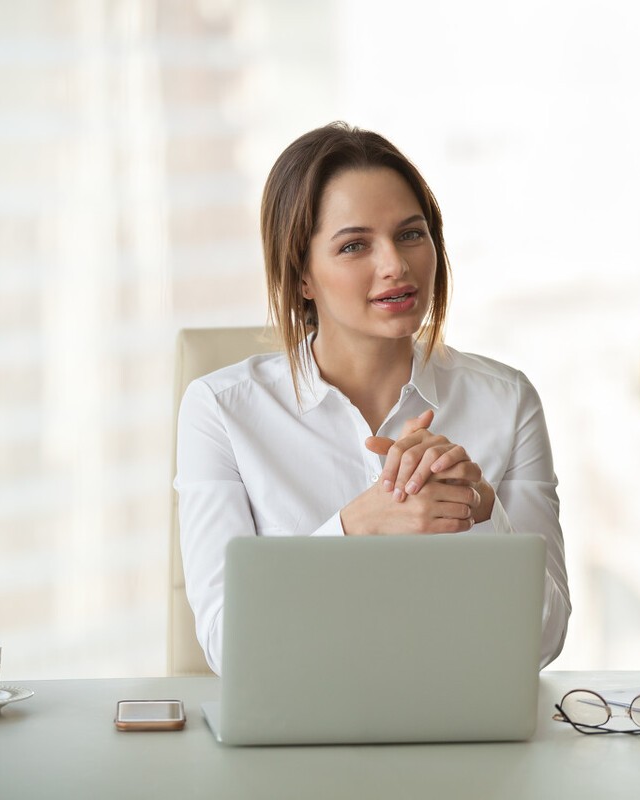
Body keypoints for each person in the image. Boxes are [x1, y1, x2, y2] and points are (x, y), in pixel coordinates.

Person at [175, 122, 570, 674]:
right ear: (303, 276)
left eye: (411, 234)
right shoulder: (220, 410)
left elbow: (544, 641)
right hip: (299, 741)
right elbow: (228, 646)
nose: (396, 266)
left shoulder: (508, 401)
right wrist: (357, 526)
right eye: (354, 245)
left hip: (462, 734)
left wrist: (480, 510)